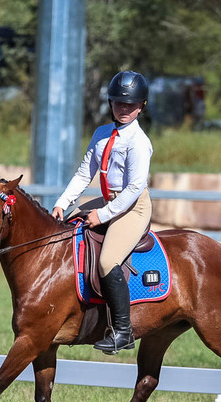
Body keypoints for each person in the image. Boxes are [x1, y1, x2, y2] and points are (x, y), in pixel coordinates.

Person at [51, 70, 153, 354]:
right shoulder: (101, 134)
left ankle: (123, 331)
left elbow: (134, 188)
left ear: (141, 106)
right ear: (110, 103)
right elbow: (85, 173)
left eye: (130, 104)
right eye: (118, 103)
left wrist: (103, 215)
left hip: (132, 206)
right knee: (67, 225)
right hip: (108, 200)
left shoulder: (139, 142)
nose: (124, 109)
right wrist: (62, 203)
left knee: (108, 261)